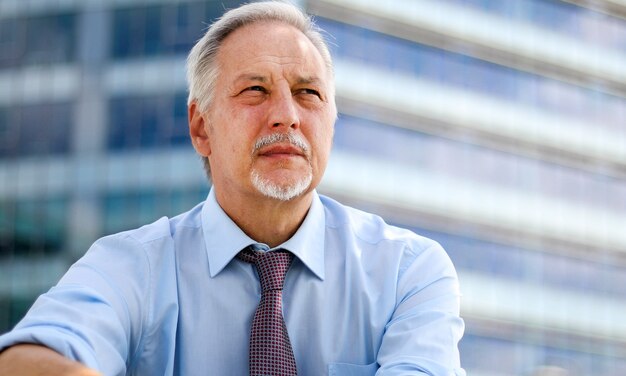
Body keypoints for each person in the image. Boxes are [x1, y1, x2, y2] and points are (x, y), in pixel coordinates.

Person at [0, 1, 465, 375]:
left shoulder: (409, 272)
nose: (287, 115)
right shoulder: (131, 267)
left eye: (308, 93)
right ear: (201, 127)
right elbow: (23, 361)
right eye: (255, 91)